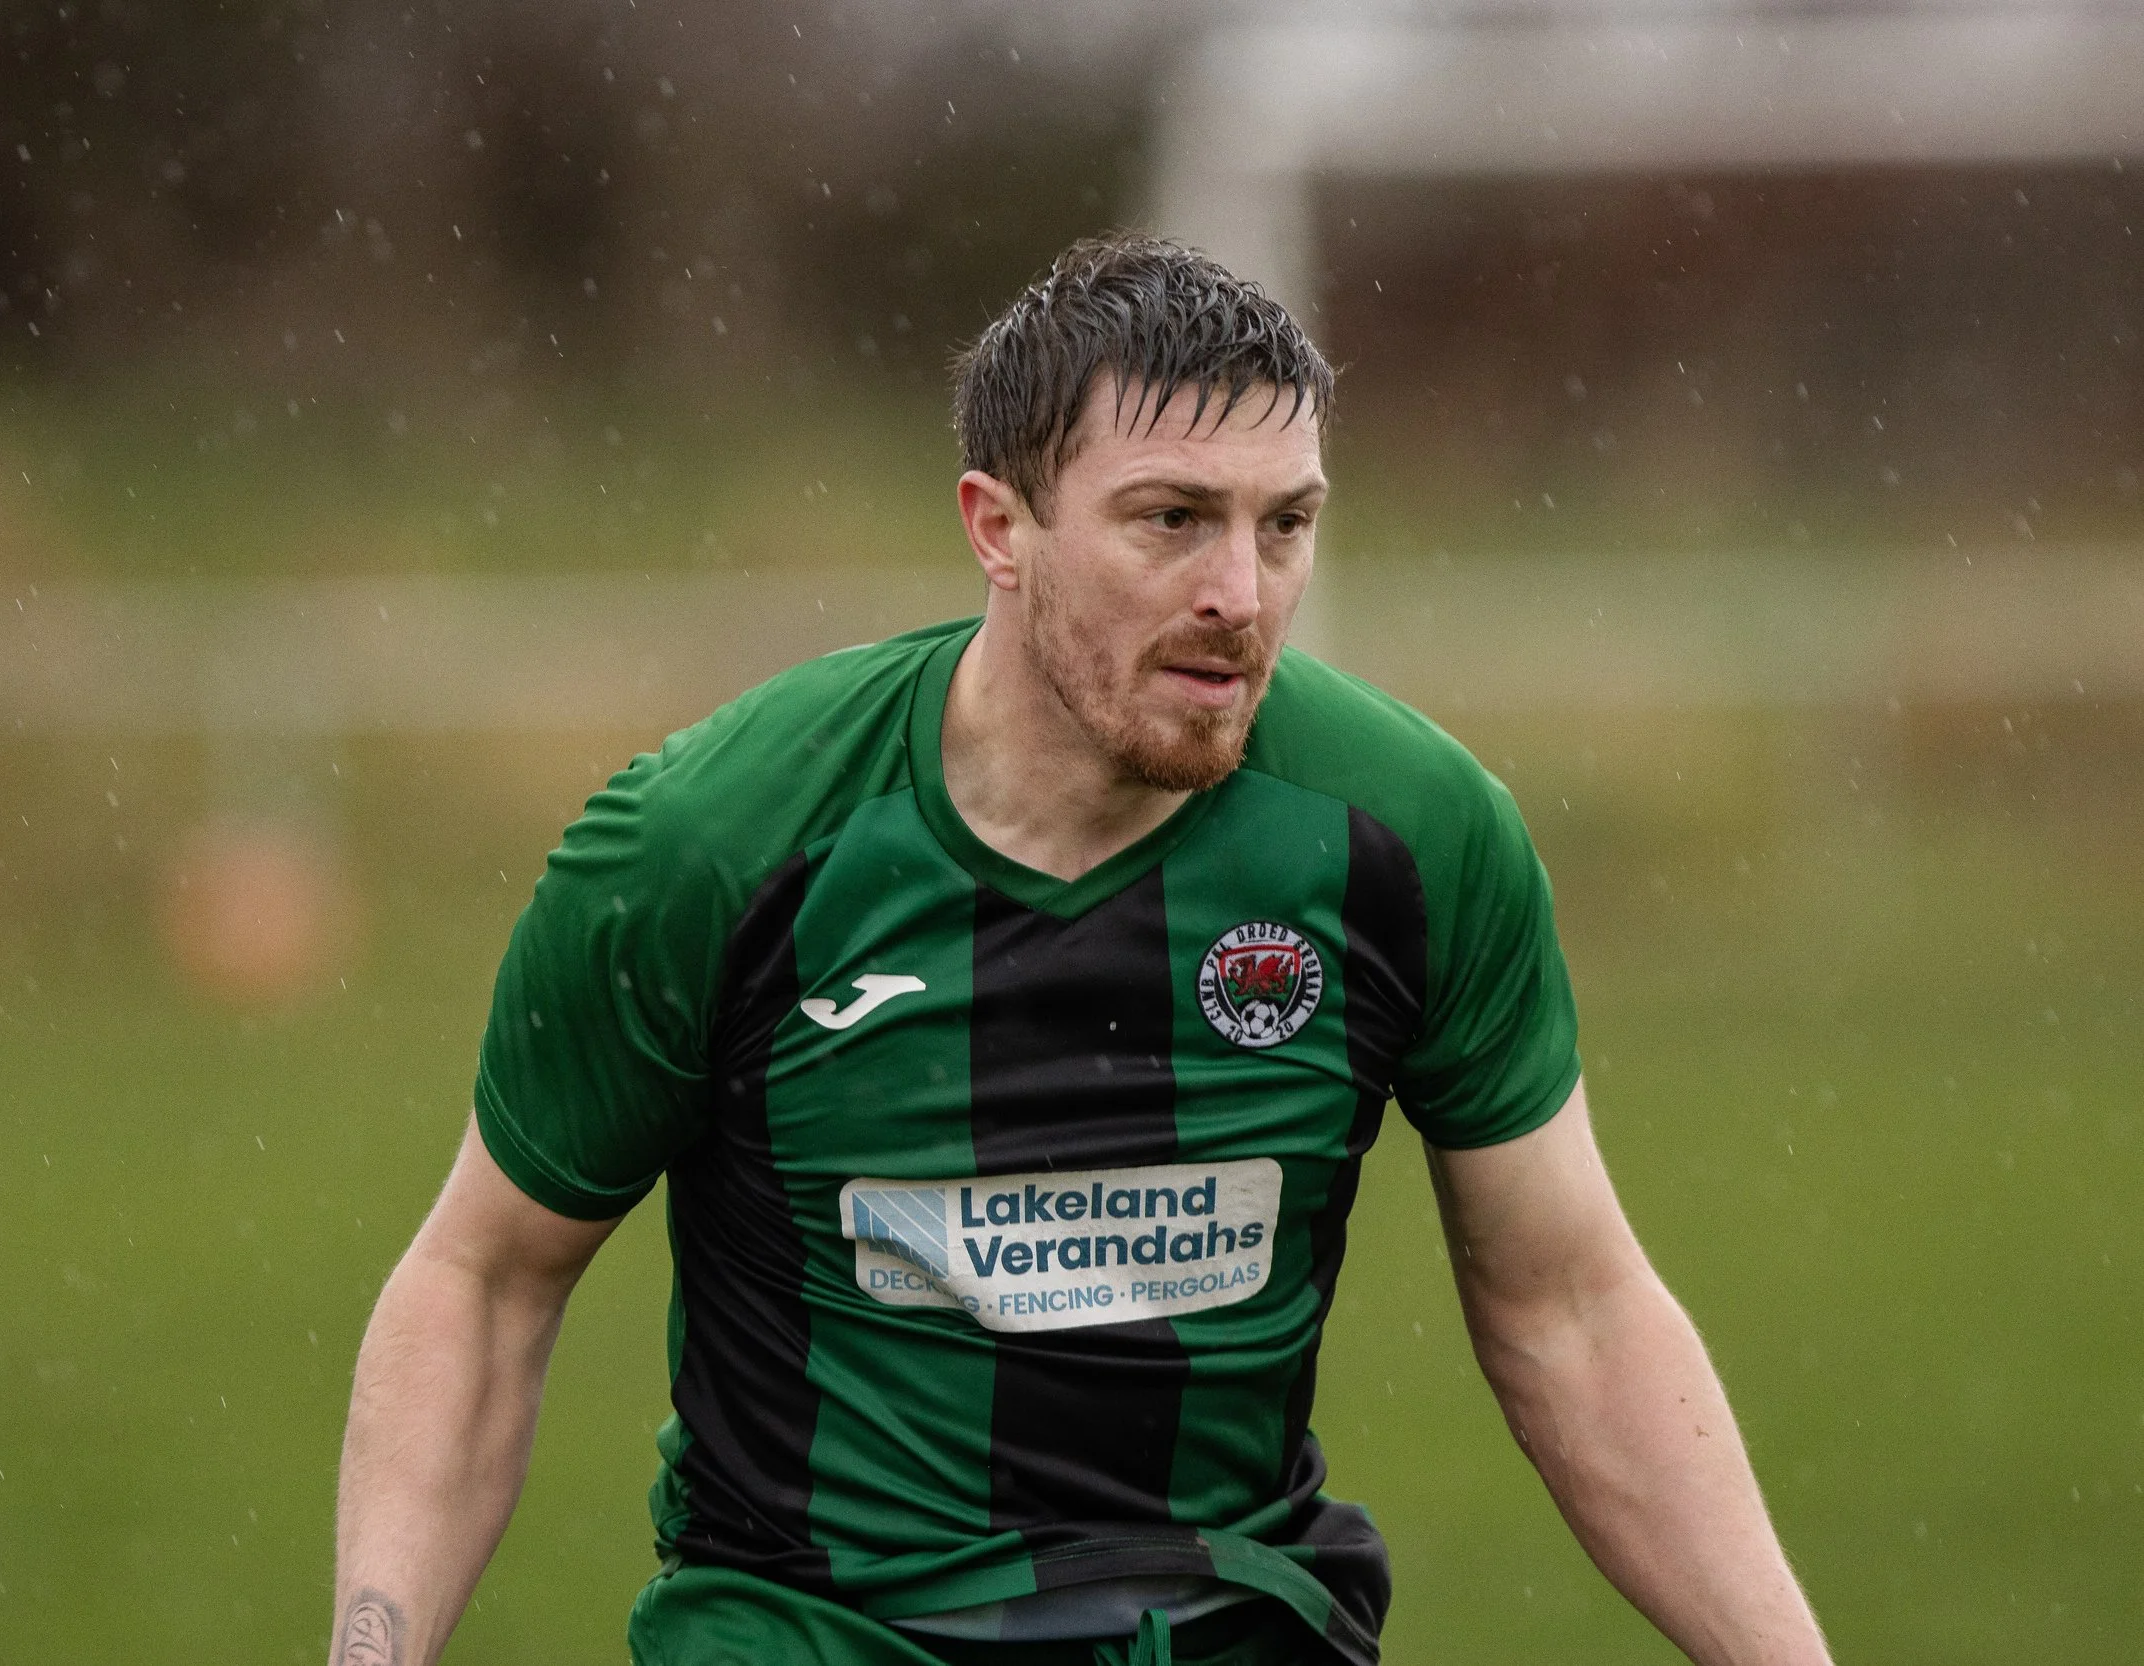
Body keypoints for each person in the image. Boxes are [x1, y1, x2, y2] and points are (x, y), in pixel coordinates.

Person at [326, 233, 1834, 1666]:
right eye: (1173, 518)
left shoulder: (1413, 838)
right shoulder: (714, 843)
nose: (1240, 595)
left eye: (1285, 522)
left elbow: (1568, 1301)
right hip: (820, 1629)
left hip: (1224, 1621)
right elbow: (484, 1280)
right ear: (999, 526)